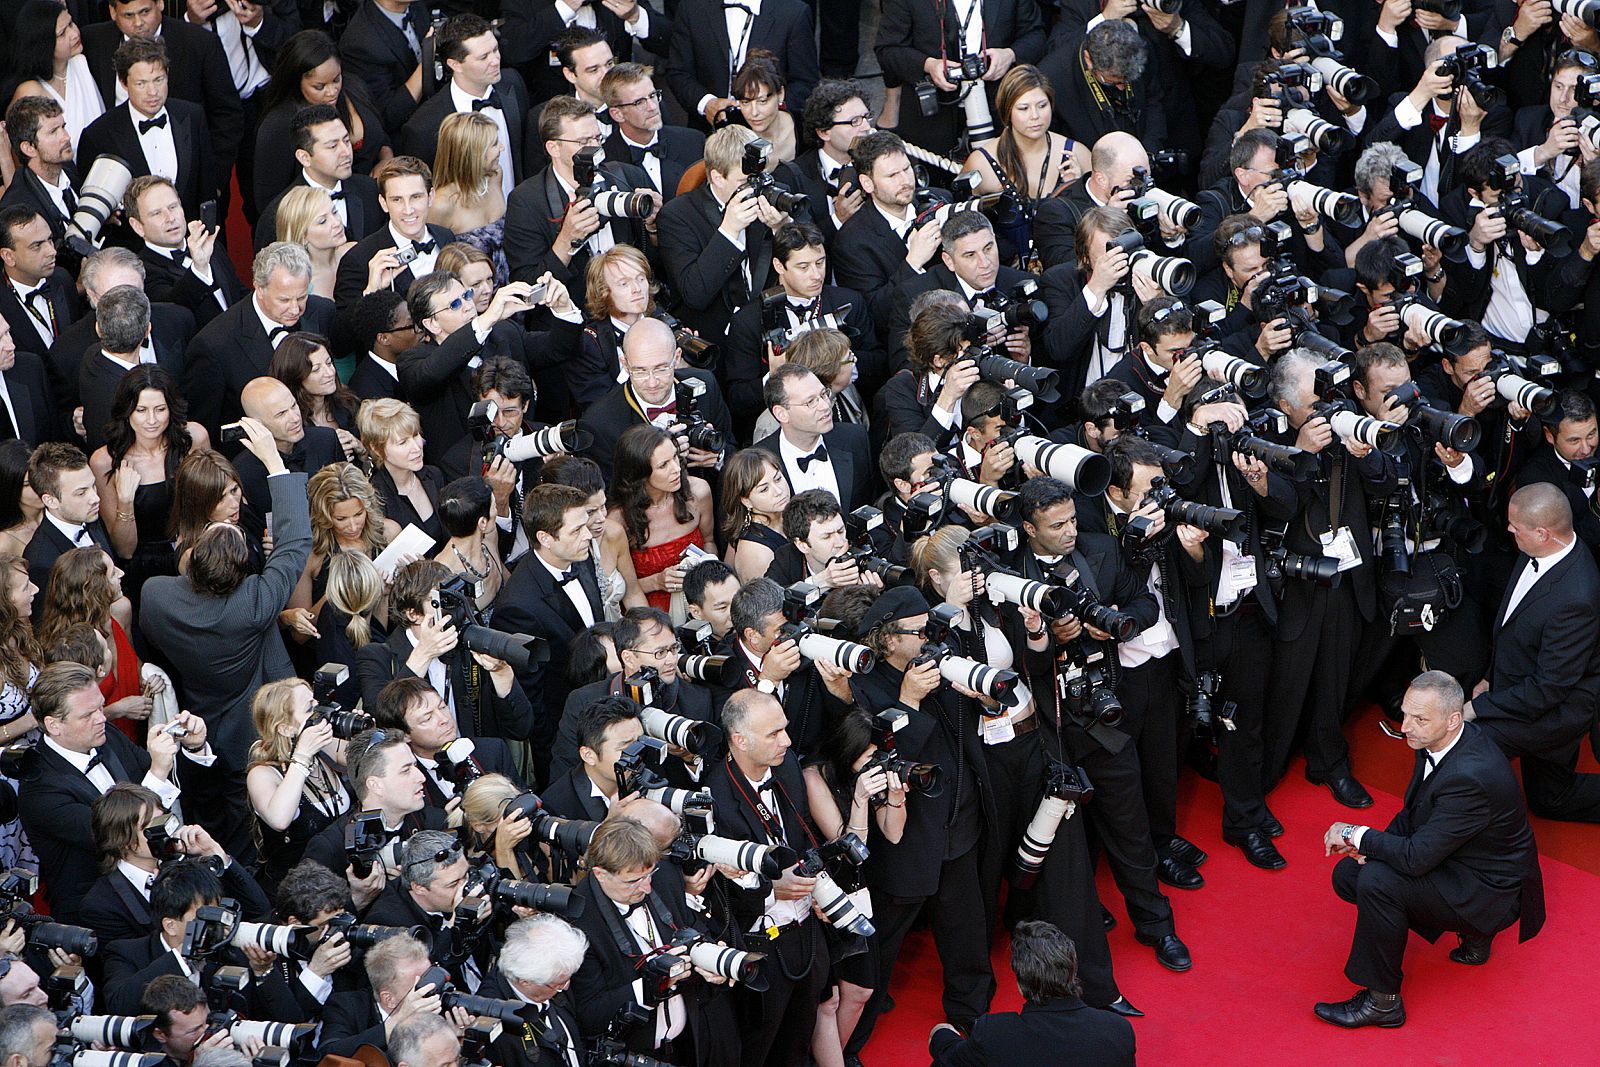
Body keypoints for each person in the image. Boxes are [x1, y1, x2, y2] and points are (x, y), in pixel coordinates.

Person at [1315, 671, 1545, 1028]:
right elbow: (1413, 813)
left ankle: (1383, 1003)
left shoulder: (1470, 775)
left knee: (1376, 881)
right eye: (1405, 714)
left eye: (1419, 719)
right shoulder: (1440, 740)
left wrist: (1356, 834)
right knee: (1350, 874)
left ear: (1453, 719)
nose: (1406, 726)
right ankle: (1475, 935)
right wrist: (1367, 848)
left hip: (1490, 891)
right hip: (1462, 860)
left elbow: (1415, 857)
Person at [139, 416, 311, 853]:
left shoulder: (155, 596)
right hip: (256, 727)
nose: (234, 504)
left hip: (213, 721)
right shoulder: (252, 602)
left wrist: (275, 614)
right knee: (257, 826)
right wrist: (274, 462)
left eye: (235, 491)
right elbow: (295, 546)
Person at [15, 661, 218, 920]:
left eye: (101, 707)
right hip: (98, 914)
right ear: (54, 725)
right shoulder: (39, 789)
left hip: (158, 888)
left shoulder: (106, 735)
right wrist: (157, 771)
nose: (102, 718)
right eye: (88, 715)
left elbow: (173, 785)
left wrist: (194, 748)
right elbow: (121, 834)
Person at [1466, 483, 1600, 821]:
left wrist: (1478, 707)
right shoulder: (1540, 550)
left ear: (1543, 533)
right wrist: (1489, 677)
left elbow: (1548, 689)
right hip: (1523, 686)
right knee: (1549, 799)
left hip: (1555, 710)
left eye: (1515, 526)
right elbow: (1513, 627)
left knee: (1466, 745)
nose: (1509, 530)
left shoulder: (1577, 598)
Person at [567, 816, 740, 1066]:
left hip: (690, 1039)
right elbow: (589, 1014)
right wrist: (652, 985)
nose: (647, 888)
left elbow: (691, 927)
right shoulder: (577, 921)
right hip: (633, 1054)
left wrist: (710, 959)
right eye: (633, 881)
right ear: (600, 874)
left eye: (649, 874)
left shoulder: (665, 877)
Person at [352, 559, 534, 746]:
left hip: (476, 758)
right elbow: (380, 729)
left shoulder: (468, 647)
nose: (451, 610)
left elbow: (521, 728)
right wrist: (423, 655)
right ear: (413, 614)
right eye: (441, 602)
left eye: (454, 600)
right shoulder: (376, 657)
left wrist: (501, 673)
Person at [182, 241, 339, 438]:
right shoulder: (214, 345)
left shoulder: (322, 312)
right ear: (259, 288)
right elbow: (206, 429)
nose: (295, 309)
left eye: (301, 297)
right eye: (284, 300)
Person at [929, 921, 1136, 1066]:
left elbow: (949, 1057)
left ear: (1020, 984)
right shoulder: (1118, 1029)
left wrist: (940, 1032)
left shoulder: (994, 1032)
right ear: (1073, 972)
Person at [78, 781, 262, 944]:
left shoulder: (189, 865)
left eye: (163, 819)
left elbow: (258, 909)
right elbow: (135, 962)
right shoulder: (102, 905)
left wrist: (214, 852)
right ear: (123, 841)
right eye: (151, 826)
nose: (164, 831)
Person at [88, 364, 207, 602]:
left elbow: (213, 498)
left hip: (197, 554)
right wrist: (125, 500)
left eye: (160, 409)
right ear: (127, 411)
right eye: (141, 410)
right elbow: (124, 549)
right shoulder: (105, 461)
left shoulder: (194, 439)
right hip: (144, 570)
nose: (151, 420)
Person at [76, 37, 217, 219]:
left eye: (158, 80)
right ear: (123, 83)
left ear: (167, 75)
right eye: (141, 83)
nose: (153, 92)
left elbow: (207, 191)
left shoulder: (192, 116)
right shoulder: (98, 135)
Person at [962, 66, 1085, 269]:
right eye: (1023, 108)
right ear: (1007, 111)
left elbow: (1097, 222)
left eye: (1042, 105)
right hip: (1005, 274)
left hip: (1066, 270)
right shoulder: (981, 163)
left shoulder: (1077, 153)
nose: (1035, 116)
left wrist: (1077, 189)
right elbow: (962, 228)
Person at [253, 30, 391, 210]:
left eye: (336, 79)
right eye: (319, 86)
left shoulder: (354, 88)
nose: (332, 91)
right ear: (296, 81)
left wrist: (386, 159)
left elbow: (381, 134)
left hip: (373, 205)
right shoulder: (278, 125)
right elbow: (269, 202)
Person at [401, 14, 533, 195]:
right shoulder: (424, 126)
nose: (495, 61)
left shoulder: (513, 84)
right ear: (455, 64)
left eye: (495, 50)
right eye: (483, 57)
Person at [246, 676, 353, 895]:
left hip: (343, 880)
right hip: (299, 894)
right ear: (286, 728)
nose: (320, 713)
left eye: (316, 703)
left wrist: (360, 731)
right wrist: (302, 755)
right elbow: (279, 819)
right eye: (309, 709)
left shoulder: (323, 747)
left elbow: (368, 760)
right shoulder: (262, 774)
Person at [607, 424, 715, 615]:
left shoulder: (698, 492)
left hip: (701, 604)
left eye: (675, 457)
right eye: (663, 465)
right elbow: (618, 589)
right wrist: (656, 581)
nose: (676, 468)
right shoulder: (618, 520)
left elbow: (709, 542)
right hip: (648, 611)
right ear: (639, 473)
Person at [372, 677, 523, 811]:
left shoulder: (491, 751)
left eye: (443, 707)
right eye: (427, 719)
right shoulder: (401, 781)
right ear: (404, 734)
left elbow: (523, 805)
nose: (444, 719)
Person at [254, 101, 385, 252]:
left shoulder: (370, 190)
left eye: (346, 141)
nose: (346, 152)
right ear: (304, 157)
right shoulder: (281, 214)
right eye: (332, 146)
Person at [122, 175, 245, 329]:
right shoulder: (141, 272)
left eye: (173, 207)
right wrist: (199, 267)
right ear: (137, 226)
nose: (170, 218)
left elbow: (238, 293)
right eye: (157, 213)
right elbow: (173, 308)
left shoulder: (211, 246)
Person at [333, 155, 457, 308]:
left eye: (416, 197)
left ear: (430, 197)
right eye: (397, 200)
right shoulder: (358, 260)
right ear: (383, 203)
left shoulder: (446, 237)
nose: (408, 210)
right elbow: (343, 321)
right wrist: (371, 292)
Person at [756, 363, 876, 513]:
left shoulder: (854, 439)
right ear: (781, 413)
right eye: (810, 402)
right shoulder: (759, 461)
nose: (825, 406)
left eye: (823, 394)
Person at [477, 913, 589, 1067]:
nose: (566, 987)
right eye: (559, 985)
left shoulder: (552, 975)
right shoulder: (496, 1028)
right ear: (526, 982)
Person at [538, 455, 629, 622]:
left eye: (603, 506)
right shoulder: (554, 555)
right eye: (590, 512)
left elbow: (634, 594)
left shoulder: (614, 532)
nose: (602, 517)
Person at [4, 2, 104, 152]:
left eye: (71, 23)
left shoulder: (81, 62)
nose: (74, 34)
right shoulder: (30, 90)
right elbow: (19, 149)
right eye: (62, 33)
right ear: (44, 44)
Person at [601, 62, 704, 205]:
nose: (653, 106)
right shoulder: (605, 161)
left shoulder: (693, 142)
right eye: (639, 102)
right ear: (617, 114)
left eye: (653, 95)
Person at [23, 442, 113, 605]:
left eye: (93, 486)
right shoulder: (41, 561)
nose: (95, 498)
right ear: (50, 500)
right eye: (81, 493)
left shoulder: (90, 518)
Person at [426, 113, 511, 284]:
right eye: (494, 144)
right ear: (473, 154)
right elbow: (434, 266)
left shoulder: (495, 176)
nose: (501, 148)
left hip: (510, 286)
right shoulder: (441, 204)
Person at [359, 398, 446, 553]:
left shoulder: (434, 475)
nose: (416, 447)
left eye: (416, 435)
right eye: (403, 442)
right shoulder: (375, 498)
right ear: (377, 449)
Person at [722, 449, 793, 583]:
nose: (778, 491)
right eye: (764, 489)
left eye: (778, 479)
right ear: (746, 500)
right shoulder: (754, 552)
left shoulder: (790, 514)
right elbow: (771, 596)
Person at [275, 187, 354, 301]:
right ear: (303, 237)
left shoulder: (355, 253)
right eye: (323, 221)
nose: (337, 222)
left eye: (335, 212)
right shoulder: (301, 283)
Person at [0, 444, 41, 560]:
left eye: (39, 479)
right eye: (27, 485)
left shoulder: (58, 510)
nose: (38, 488)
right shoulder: (5, 542)